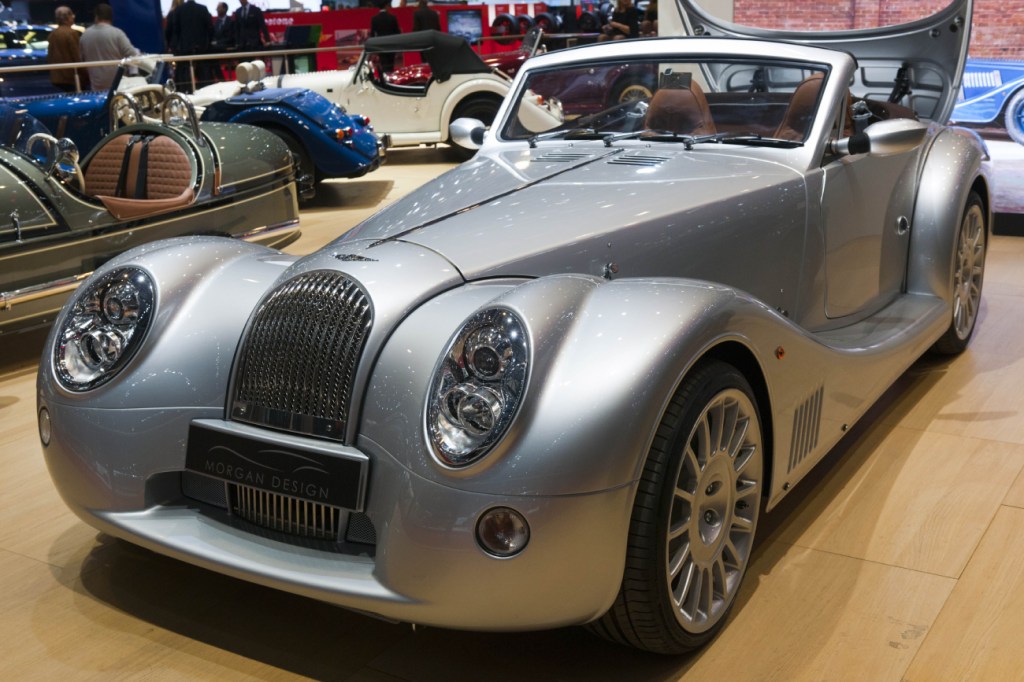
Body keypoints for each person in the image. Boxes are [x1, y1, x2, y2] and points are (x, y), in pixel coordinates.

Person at [79, 3, 140, 92]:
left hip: (96, 87)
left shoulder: (85, 35)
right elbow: (132, 54)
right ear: (111, 17)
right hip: (117, 85)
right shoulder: (117, 33)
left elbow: (82, 60)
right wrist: (133, 74)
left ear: (96, 16)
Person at [167, 0, 214, 90]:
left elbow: (176, 31)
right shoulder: (203, 9)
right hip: (202, 49)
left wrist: (175, 47)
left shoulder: (179, 10)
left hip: (185, 50)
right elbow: (210, 28)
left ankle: (187, 92)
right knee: (204, 77)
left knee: (185, 78)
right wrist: (207, 44)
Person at [47, 6, 89, 92]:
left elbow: (50, 55)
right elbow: (77, 56)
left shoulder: (52, 34)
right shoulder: (71, 33)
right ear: (68, 18)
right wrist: (86, 74)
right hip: (71, 76)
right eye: (72, 15)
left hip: (57, 76)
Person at [370, 0, 400, 72]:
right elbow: (397, 33)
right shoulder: (392, 18)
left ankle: (385, 79)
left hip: (381, 46)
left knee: (384, 64)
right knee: (391, 64)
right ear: (386, 6)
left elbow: (372, 34)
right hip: (391, 45)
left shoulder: (374, 19)